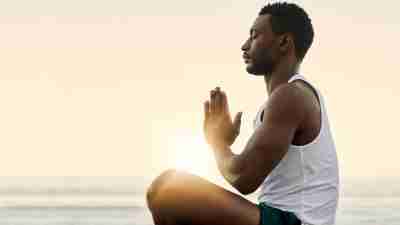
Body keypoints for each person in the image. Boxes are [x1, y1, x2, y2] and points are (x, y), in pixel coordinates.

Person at [146, 2, 339, 225]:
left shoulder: (291, 96)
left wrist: (217, 143)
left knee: (166, 190)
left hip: (294, 222)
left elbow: (244, 178)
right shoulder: (288, 97)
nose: (244, 45)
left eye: (254, 36)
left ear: (284, 42)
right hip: (275, 216)